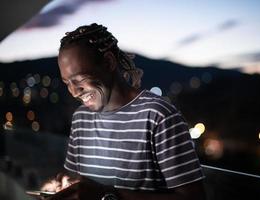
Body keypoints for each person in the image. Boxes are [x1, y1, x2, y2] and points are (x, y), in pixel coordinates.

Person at [42, 23, 206, 200]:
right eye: (67, 83)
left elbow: (194, 197)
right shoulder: (81, 118)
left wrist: (108, 195)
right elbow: (75, 181)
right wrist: (61, 186)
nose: (74, 91)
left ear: (109, 62)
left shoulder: (158, 116)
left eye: (80, 79)